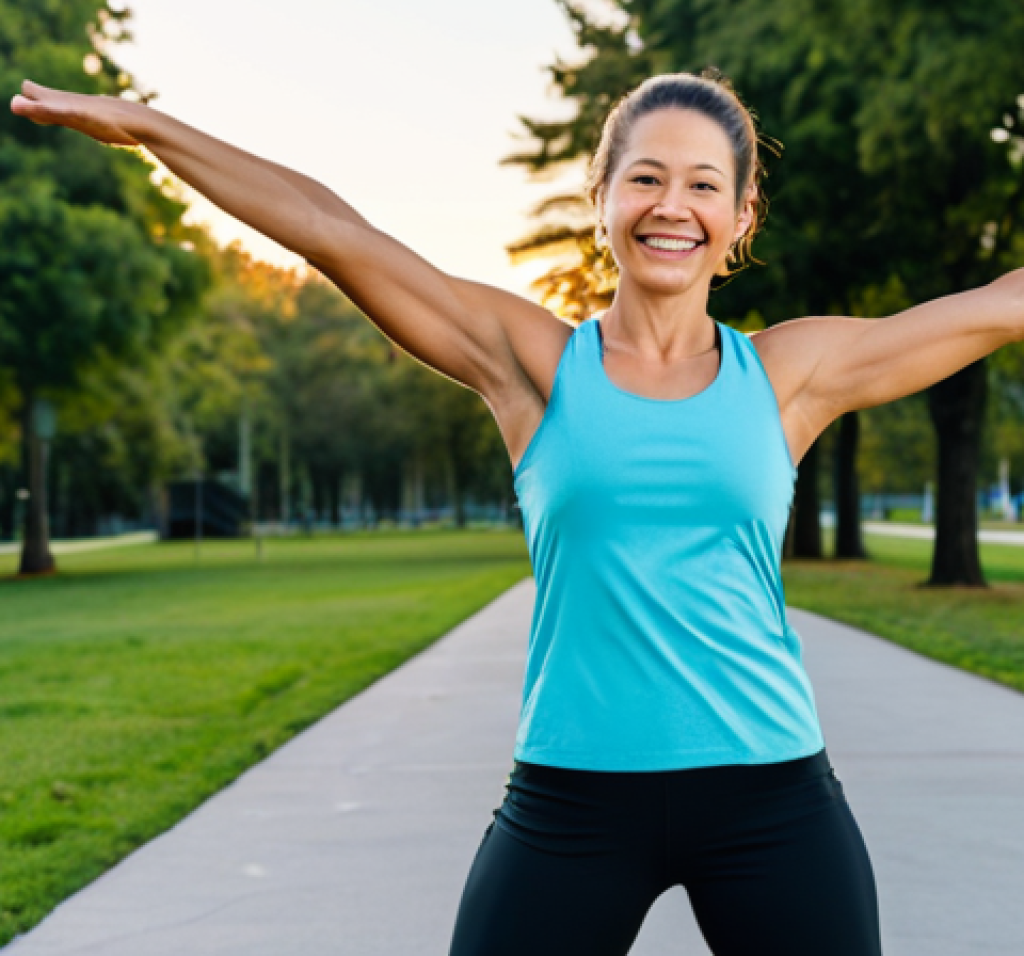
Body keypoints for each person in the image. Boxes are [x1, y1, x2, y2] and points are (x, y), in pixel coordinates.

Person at [11, 70, 1023, 956]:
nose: (673, 205)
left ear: (741, 216)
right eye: (647, 177)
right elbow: (329, 230)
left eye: (704, 184)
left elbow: (991, 304)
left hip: (770, 797)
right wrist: (149, 129)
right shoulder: (532, 363)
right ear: (602, 196)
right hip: (572, 800)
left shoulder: (789, 374)